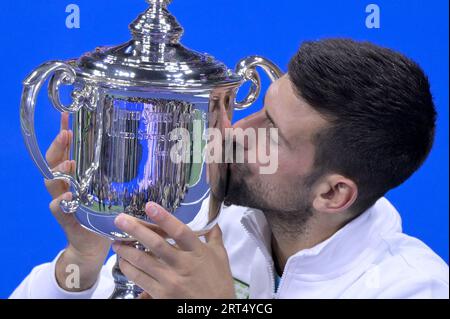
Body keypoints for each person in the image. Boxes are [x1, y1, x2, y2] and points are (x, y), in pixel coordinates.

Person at [10, 39, 449, 299]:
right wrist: (84, 260)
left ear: (333, 194)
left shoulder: (413, 287)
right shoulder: (218, 225)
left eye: (273, 132)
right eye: (262, 108)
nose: (237, 130)